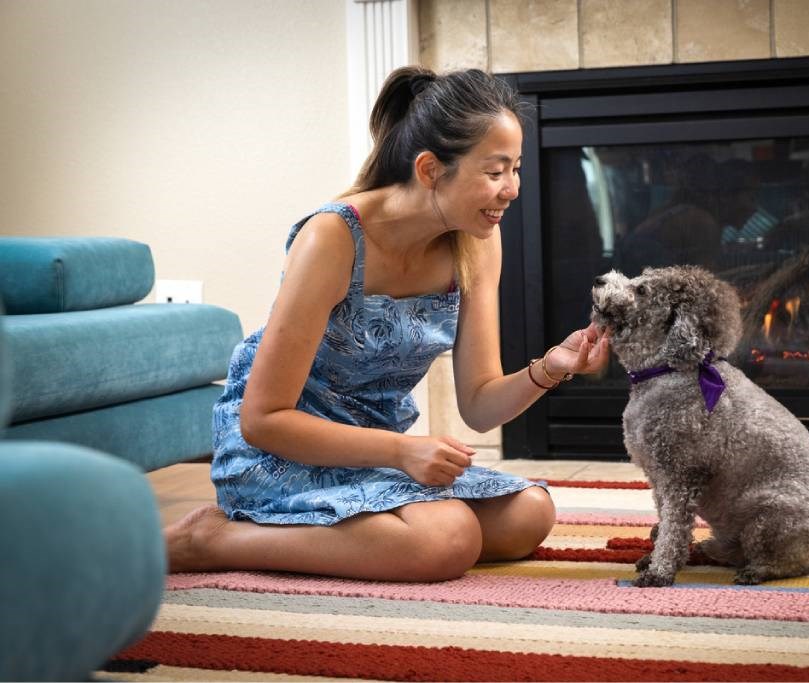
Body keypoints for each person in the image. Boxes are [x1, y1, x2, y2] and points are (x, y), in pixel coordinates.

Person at [164, 66, 611, 582]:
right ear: (430, 169)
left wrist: (551, 367)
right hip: (279, 453)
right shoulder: (332, 238)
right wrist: (403, 450)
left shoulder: (477, 240)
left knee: (529, 514)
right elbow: (263, 419)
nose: (511, 189)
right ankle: (213, 538)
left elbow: (481, 404)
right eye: (495, 172)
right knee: (448, 539)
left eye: (515, 169)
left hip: (373, 450)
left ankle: (371, 535)